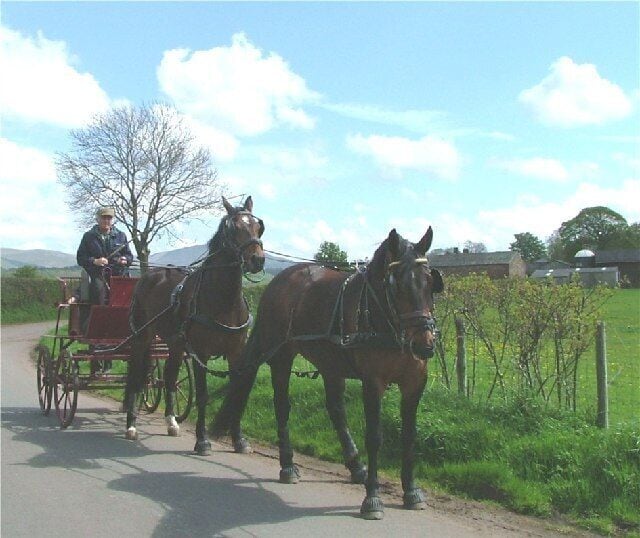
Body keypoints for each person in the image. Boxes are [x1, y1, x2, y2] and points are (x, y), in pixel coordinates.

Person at [76, 207, 134, 373]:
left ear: (112, 220)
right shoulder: (89, 237)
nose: (106, 221)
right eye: (104, 218)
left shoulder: (121, 236)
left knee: (126, 299)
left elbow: (130, 256)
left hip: (118, 276)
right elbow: (80, 258)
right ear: (97, 219)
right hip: (98, 275)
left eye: (109, 218)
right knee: (99, 292)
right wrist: (94, 261)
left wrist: (125, 259)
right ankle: (98, 338)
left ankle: (124, 331)